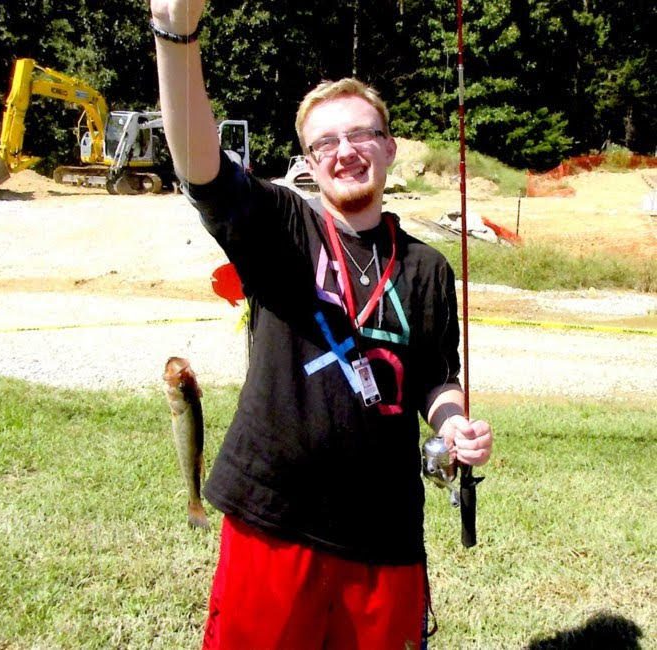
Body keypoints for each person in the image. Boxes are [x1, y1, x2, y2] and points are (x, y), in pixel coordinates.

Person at [150, 1, 494, 648]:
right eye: (325, 142)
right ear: (307, 162)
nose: (346, 152)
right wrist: (176, 34)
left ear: (390, 147)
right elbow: (200, 164)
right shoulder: (280, 228)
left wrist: (455, 426)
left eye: (361, 135)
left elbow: (434, 380)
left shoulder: (427, 269)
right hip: (273, 523)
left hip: (386, 536)